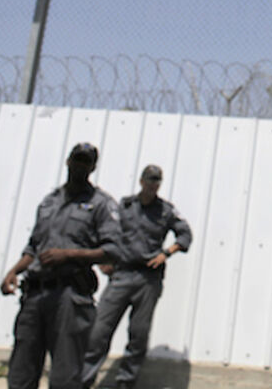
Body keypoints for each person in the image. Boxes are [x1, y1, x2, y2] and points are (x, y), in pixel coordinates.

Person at [0, 142, 121, 389]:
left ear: (93, 167)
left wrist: (69, 255)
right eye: (77, 159)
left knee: (65, 376)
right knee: (21, 371)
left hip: (69, 296)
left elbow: (115, 249)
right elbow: (34, 246)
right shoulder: (49, 202)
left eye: (86, 161)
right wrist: (14, 271)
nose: (80, 165)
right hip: (35, 294)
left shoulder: (101, 204)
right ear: (68, 161)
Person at [80, 164, 193, 389]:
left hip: (147, 280)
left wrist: (166, 253)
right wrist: (104, 260)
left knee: (138, 335)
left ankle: (126, 383)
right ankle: (83, 380)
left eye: (156, 181)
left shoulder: (165, 210)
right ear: (141, 181)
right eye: (149, 180)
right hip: (121, 274)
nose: (152, 185)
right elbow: (104, 232)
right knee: (99, 331)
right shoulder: (124, 206)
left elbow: (185, 234)